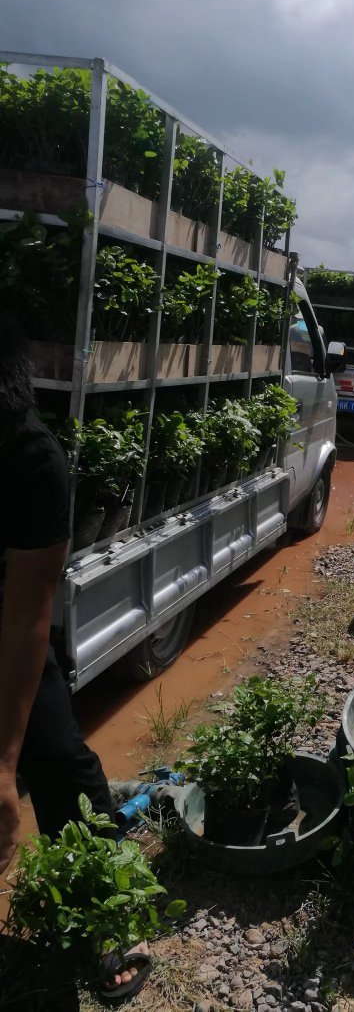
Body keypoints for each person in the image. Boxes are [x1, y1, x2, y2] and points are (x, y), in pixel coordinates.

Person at [0, 312, 148, 1001]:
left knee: (55, 756)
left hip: (3, 620)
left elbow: (27, 617)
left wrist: (3, 764)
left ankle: (103, 913)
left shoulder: (31, 460)